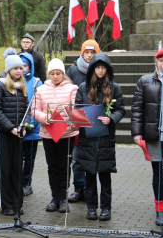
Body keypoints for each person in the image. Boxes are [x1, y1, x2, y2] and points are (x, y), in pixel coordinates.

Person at [75, 53, 125, 221]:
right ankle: (91, 208)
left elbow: (121, 109)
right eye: (98, 67)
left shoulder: (114, 87)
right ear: (93, 69)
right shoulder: (83, 87)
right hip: (88, 138)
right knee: (89, 175)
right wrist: (82, 118)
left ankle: (105, 208)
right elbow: (76, 109)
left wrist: (111, 119)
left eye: (103, 67)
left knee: (105, 174)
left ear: (107, 69)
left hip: (105, 138)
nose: (100, 70)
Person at [131, 46, 163, 226]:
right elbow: (137, 108)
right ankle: (159, 210)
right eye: (161, 61)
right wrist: (137, 132)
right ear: (156, 63)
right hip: (154, 132)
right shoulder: (145, 81)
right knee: (158, 173)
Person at [31, 58, 78, 213]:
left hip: (67, 134)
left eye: (58, 73)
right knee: (52, 167)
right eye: (52, 73)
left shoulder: (72, 89)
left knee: (64, 167)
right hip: (48, 134)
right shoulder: (40, 89)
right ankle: (54, 197)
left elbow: (75, 109)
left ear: (63, 74)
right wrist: (45, 118)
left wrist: (65, 113)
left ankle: (63, 198)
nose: (55, 76)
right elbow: (34, 110)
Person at [0, 54, 30, 216]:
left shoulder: (22, 86)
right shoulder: (0, 86)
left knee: (17, 169)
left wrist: (24, 126)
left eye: (20, 68)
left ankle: (17, 202)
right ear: (9, 70)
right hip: (5, 134)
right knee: (5, 169)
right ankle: (6, 204)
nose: (19, 71)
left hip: (19, 134)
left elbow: (27, 109)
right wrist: (11, 128)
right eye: (15, 68)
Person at [66, 39, 100, 203]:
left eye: (92, 53)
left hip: (94, 118)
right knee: (76, 156)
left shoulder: (100, 70)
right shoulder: (73, 70)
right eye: (86, 52)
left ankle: (90, 189)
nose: (89, 55)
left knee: (91, 156)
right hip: (77, 118)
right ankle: (78, 188)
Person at [18, 52, 42, 196]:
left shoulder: (36, 83)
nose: (21, 69)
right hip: (15, 129)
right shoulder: (12, 81)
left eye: (25, 66)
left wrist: (27, 125)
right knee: (16, 158)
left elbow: (38, 105)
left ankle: (27, 183)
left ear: (30, 67)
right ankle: (16, 182)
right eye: (19, 66)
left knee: (29, 158)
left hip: (31, 129)